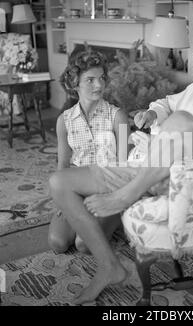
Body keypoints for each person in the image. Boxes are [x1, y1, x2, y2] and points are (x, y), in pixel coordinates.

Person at [49, 26, 193, 304]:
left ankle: (125, 196)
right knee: (58, 182)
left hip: (184, 176)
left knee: (182, 121)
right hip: (147, 166)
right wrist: (152, 113)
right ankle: (111, 267)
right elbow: (166, 103)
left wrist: (175, 142)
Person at [48, 50, 129, 255]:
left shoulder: (117, 117)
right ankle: (84, 217)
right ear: (75, 83)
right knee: (57, 243)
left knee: (83, 245)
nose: (99, 85)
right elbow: (63, 166)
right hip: (75, 189)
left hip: (107, 188)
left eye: (101, 78)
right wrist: (61, 199)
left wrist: (113, 199)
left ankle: (116, 217)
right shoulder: (64, 121)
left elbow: (123, 167)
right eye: (90, 80)